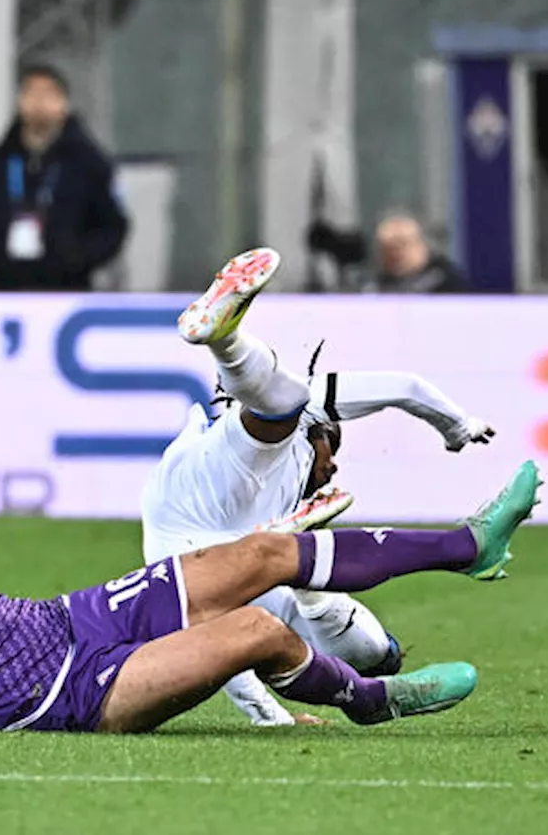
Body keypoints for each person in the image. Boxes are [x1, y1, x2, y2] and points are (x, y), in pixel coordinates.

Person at [0, 446, 540, 732]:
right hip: (62, 697)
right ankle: (371, 700)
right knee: (255, 631)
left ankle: (468, 545)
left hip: (71, 619)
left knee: (261, 551)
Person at [145, 246, 497, 725]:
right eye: (333, 451)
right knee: (290, 401)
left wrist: (272, 718)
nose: (333, 469)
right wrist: (456, 427)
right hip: (206, 494)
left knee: (366, 649)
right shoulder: (304, 425)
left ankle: (316, 596)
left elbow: (217, 647)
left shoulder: (280, 469)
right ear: (323, 431)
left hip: (199, 553)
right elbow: (406, 386)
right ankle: (224, 342)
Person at [0, 65, 128, 291]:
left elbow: (113, 228)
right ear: (20, 102)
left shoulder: (90, 165)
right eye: (32, 94)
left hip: (69, 291)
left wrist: (77, 258)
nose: (40, 103)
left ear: (64, 104)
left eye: (49, 94)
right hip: (3, 291)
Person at [365, 210, 467, 294]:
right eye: (388, 247)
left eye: (402, 244)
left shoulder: (448, 283)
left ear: (422, 245)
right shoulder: (370, 286)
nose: (395, 253)